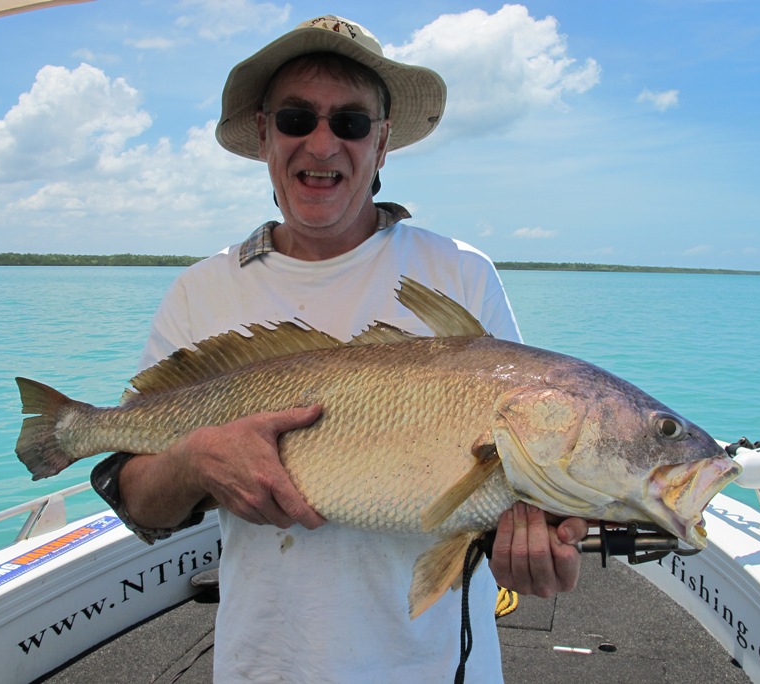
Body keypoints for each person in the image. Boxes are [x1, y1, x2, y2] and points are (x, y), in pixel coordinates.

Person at [91, 14, 588, 683]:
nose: (322, 144)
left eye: (350, 122)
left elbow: (513, 472)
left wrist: (532, 547)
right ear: (265, 133)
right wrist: (193, 462)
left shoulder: (460, 273)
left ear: (382, 143)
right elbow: (139, 499)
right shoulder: (200, 292)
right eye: (298, 118)